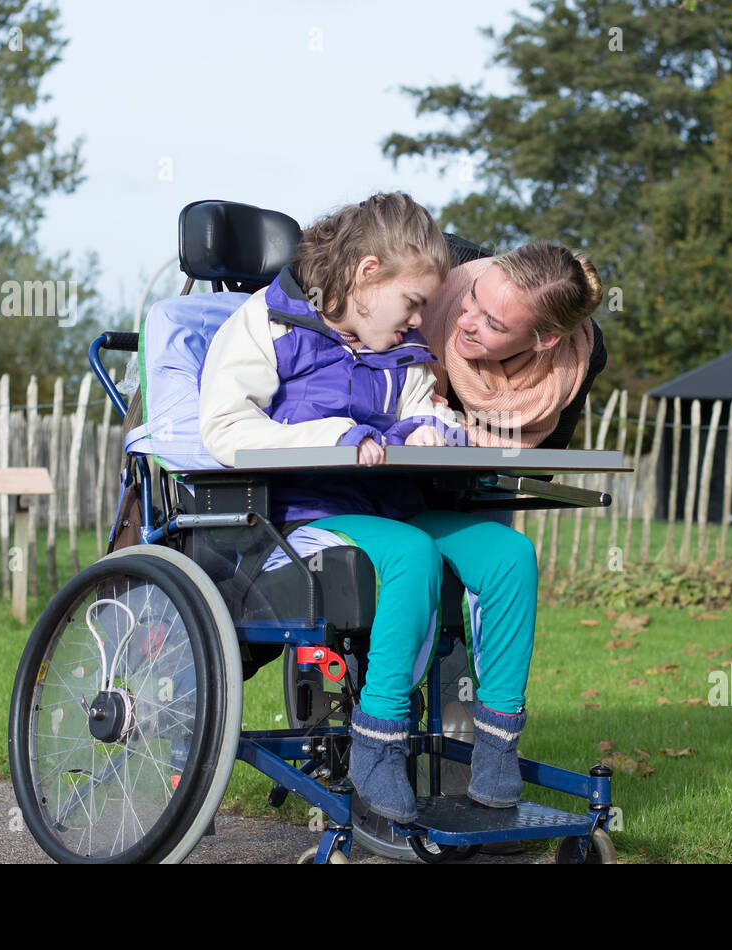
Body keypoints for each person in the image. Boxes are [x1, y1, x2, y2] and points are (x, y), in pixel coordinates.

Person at [197, 192, 539, 823]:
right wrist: (335, 435)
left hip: (392, 510)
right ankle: (377, 744)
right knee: (407, 553)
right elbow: (223, 429)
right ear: (366, 272)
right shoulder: (266, 326)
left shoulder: (399, 351)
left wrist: (434, 429)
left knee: (509, 555)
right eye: (412, 304)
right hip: (300, 520)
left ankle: (496, 754)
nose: (417, 323)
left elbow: (417, 412)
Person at [419, 238, 607, 451]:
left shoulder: (583, 353)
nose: (463, 322)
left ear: (545, 340)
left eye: (492, 324)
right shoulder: (435, 259)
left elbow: (537, 468)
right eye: (472, 296)